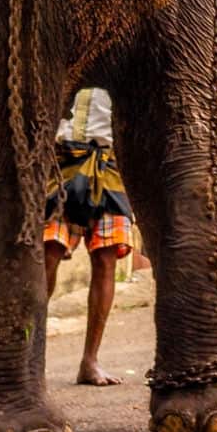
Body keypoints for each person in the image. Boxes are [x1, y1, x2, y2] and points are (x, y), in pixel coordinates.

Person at [42, 87, 135, 386]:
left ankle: (90, 360)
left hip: (109, 167)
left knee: (105, 260)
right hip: (62, 163)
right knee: (48, 252)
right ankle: (30, 357)